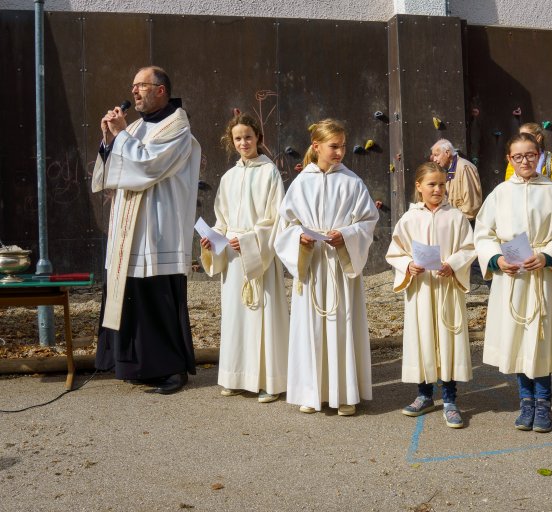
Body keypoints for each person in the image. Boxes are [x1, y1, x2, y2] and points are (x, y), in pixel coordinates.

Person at [92, 66, 201, 394]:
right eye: (133, 86)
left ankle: (171, 370)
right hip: (128, 227)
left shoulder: (177, 126)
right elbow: (113, 171)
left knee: (156, 299)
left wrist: (121, 135)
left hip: (157, 228)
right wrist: (109, 139)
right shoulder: (136, 126)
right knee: (132, 297)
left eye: (142, 85)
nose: (134, 91)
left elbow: (148, 166)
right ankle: (137, 366)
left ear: (161, 90)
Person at [475, 133, 552, 433]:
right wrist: (496, 259)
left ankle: (543, 402)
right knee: (518, 337)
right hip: (512, 277)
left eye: (530, 155)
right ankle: (526, 401)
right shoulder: (500, 193)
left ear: (539, 156)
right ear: (509, 159)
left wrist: (547, 256)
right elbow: (483, 234)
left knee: (540, 338)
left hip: (542, 275)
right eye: (518, 156)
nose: (525, 161)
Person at [275, 119, 379, 416]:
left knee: (341, 324)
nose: (340, 152)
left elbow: (367, 222)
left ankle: (344, 393)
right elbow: (285, 226)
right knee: (311, 327)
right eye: (334, 146)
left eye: (343, 146)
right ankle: (312, 392)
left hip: (338, 264)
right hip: (312, 265)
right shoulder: (301, 183)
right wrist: (300, 238)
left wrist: (345, 235)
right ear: (316, 146)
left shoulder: (352, 182)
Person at [200, 113, 289, 400]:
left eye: (248, 137)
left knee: (263, 315)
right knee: (236, 319)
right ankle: (236, 375)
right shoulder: (228, 177)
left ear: (258, 138)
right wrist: (212, 238)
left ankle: (268, 382)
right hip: (233, 258)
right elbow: (222, 219)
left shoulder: (269, 172)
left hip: (258, 254)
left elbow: (276, 219)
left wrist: (250, 241)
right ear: (232, 141)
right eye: (238, 138)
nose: (243, 143)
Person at [386, 162, 476, 429]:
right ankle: (424, 395)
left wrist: (453, 264)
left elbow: (469, 247)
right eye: (431, 184)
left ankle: (449, 399)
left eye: (441, 184)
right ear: (419, 186)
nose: (437, 189)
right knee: (422, 338)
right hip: (421, 290)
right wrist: (408, 265)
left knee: (449, 340)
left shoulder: (456, 217)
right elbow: (395, 251)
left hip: (447, 288)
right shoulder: (409, 218)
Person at [430, 139, 483, 222]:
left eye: (436, 155)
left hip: (463, 222)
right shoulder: (448, 170)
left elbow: (471, 205)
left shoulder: (464, 167)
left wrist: (455, 220)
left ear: (447, 153)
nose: (434, 159)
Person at [504, 123, 552, 189]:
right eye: (520, 136)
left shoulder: (551, 159)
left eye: (527, 137)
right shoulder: (514, 159)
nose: (522, 139)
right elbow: (509, 184)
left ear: (538, 138)